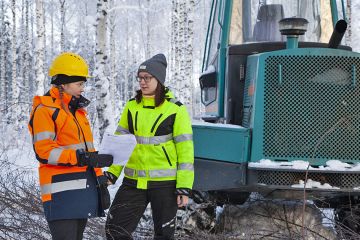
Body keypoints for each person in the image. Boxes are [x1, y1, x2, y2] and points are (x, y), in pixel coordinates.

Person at [105, 54, 194, 240]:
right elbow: (121, 144)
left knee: (164, 235)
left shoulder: (175, 109)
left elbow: (185, 152)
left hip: (165, 184)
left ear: (159, 79)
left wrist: (184, 187)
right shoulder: (131, 107)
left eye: (147, 78)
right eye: (140, 78)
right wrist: (113, 173)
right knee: (115, 231)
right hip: (133, 182)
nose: (143, 82)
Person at [28, 52, 113, 240]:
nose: (83, 88)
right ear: (63, 83)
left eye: (83, 84)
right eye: (79, 84)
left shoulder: (78, 112)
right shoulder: (45, 110)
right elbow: (44, 151)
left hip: (82, 189)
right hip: (60, 194)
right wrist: (81, 157)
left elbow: (88, 151)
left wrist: (99, 179)